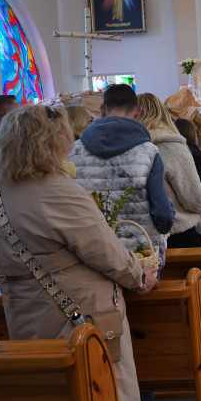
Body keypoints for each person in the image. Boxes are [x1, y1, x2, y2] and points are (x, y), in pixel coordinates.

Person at [0, 106, 158, 401]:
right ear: (50, 143)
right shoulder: (58, 192)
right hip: (81, 321)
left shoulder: (1, 193)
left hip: (25, 322)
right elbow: (108, 254)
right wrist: (141, 274)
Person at [70, 84, 174, 268]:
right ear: (138, 112)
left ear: (102, 110)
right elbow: (163, 214)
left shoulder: (73, 151)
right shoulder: (148, 152)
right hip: (140, 257)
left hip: (92, 256)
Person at [137, 93, 201, 248]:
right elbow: (194, 200)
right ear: (163, 112)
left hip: (138, 234)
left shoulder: (130, 144)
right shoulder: (170, 144)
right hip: (176, 234)